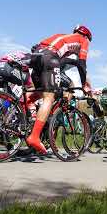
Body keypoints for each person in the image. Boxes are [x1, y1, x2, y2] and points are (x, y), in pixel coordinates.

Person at [25, 24, 94, 154]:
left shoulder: (61, 37)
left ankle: (26, 117)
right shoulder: (83, 40)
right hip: (49, 58)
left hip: (36, 56)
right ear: (86, 36)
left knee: (37, 94)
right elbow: (81, 63)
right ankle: (34, 136)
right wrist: (84, 83)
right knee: (49, 97)